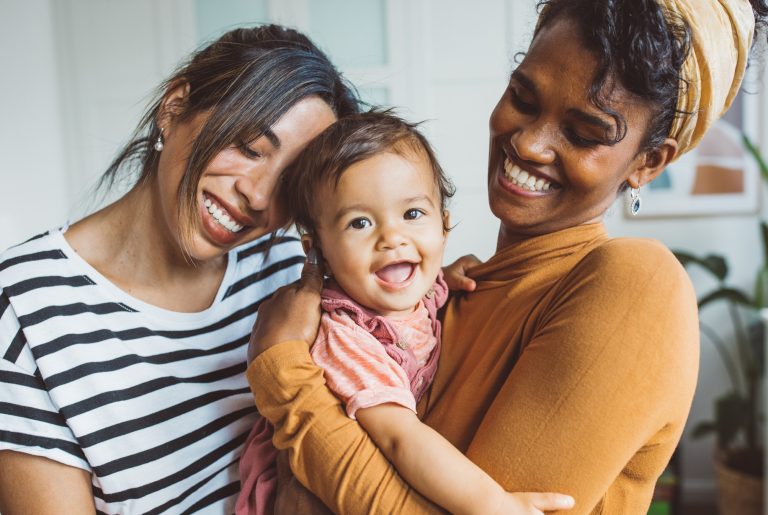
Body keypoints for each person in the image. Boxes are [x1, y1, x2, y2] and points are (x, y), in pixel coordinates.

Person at [245, 0, 768, 513]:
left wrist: (284, 377)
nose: (530, 144)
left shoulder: (638, 286)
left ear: (648, 163)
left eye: (584, 133)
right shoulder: (435, 296)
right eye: (523, 97)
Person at [0, 25, 360, 514]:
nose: (256, 197)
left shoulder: (287, 267)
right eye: (250, 148)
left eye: (290, 184)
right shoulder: (24, 309)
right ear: (174, 108)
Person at [235, 111, 575, 515]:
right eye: (359, 223)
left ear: (444, 227)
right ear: (318, 250)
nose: (392, 238)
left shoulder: (428, 290)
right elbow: (399, 438)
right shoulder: (346, 336)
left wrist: (444, 277)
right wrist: (493, 505)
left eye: (412, 214)